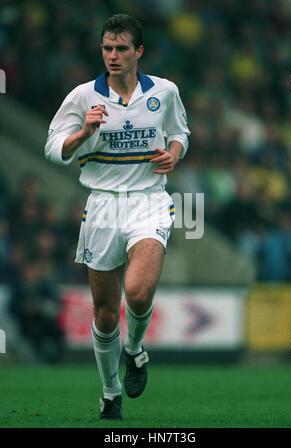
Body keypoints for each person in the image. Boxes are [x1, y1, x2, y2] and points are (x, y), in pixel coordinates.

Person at [45, 13, 190, 421]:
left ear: (138, 51)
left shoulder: (165, 91)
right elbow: (54, 148)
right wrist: (82, 134)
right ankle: (111, 394)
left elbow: (181, 133)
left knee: (139, 293)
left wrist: (173, 154)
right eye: (107, 48)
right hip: (103, 202)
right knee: (106, 312)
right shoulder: (82, 97)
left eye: (121, 48)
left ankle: (134, 349)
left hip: (148, 199)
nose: (113, 55)